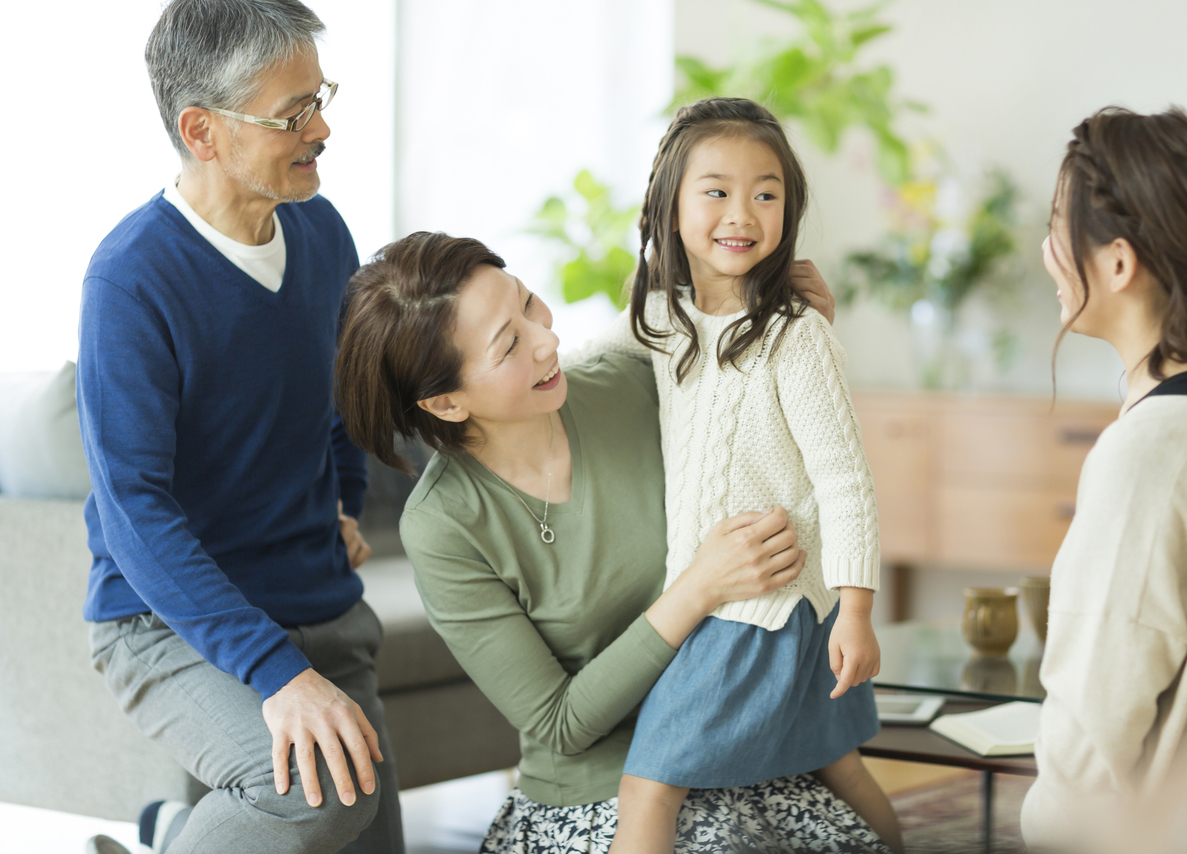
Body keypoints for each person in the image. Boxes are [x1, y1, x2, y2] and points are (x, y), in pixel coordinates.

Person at [332, 231, 891, 852]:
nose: (547, 339)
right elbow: (558, 723)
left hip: (733, 737)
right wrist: (699, 588)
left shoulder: (632, 384)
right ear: (445, 401)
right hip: (596, 792)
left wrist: (792, 336)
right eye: (511, 343)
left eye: (528, 302)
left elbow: (777, 427)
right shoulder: (444, 525)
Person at [78, 2, 401, 853]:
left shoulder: (323, 233)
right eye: (293, 113)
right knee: (312, 797)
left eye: (320, 97)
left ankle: (181, 836)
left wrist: (346, 498)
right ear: (203, 130)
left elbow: (341, 395)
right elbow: (133, 510)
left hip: (317, 600)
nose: (322, 127)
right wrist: (278, 673)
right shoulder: (131, 280)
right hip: (168, 624)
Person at [568, 97, 901, 854]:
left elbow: (847, 481)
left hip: (767, 610)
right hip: (708, 596)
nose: (741, 211)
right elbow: (571, 373)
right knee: (836, 765)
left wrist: (857, 610)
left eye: (766, 192)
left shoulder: (797, 336)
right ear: (669, 206)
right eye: (715, 190)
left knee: (647, 786)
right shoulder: (658, 316)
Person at [1021, 107, 1187, 850]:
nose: (1046, 251)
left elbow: (1084, 759)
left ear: (1118, 263)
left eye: (1056, 226)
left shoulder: (1152, 458)